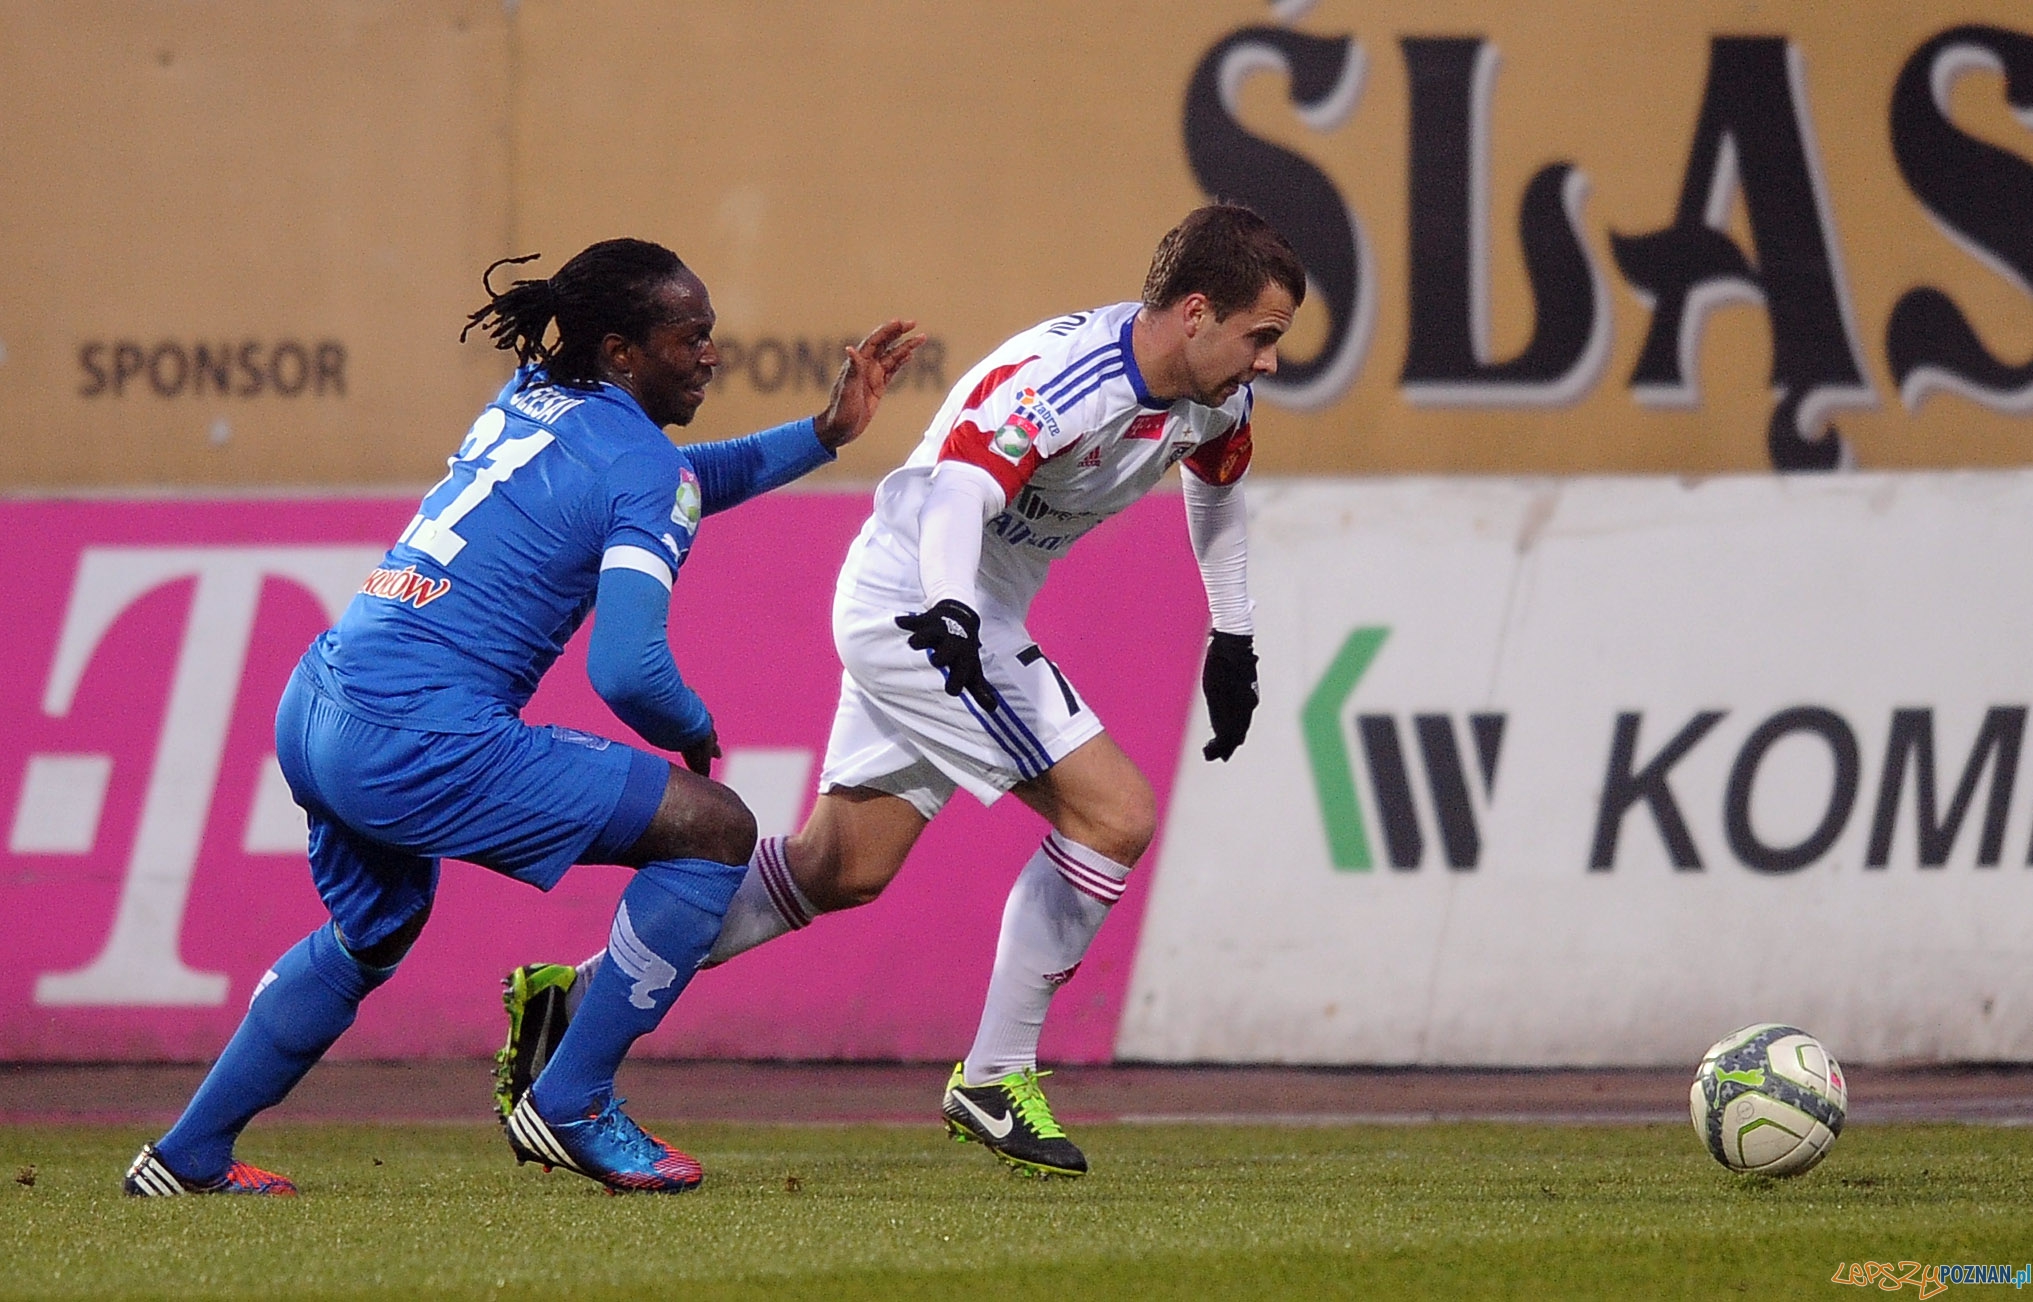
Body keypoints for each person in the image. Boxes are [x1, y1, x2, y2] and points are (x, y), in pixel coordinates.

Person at [495, 204, 1300, 1177]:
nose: (1266, 360)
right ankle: (996, 1076)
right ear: (1195, 312)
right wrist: (956, 617)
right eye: (1260, 336)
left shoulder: (1214, 395)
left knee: (841, 868)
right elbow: (959, 490)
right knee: (1114, 814)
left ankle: (571, 1002)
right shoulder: (1061, 379)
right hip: (924, 598)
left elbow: (1212, 486)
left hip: (953, 606)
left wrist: (1233, 632)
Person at [120, 237, 922, 1197]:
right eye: (690, 338)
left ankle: (187, 1155)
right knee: (714, 830)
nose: (711, 356)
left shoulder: (533, 394)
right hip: (418, 734)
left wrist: (824, 432)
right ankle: (572, 1099)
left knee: (371, 931)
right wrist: (692, 726)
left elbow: (676, 481)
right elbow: (627, 669)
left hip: (319, 701)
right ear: (622, 352)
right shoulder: (639, 466)